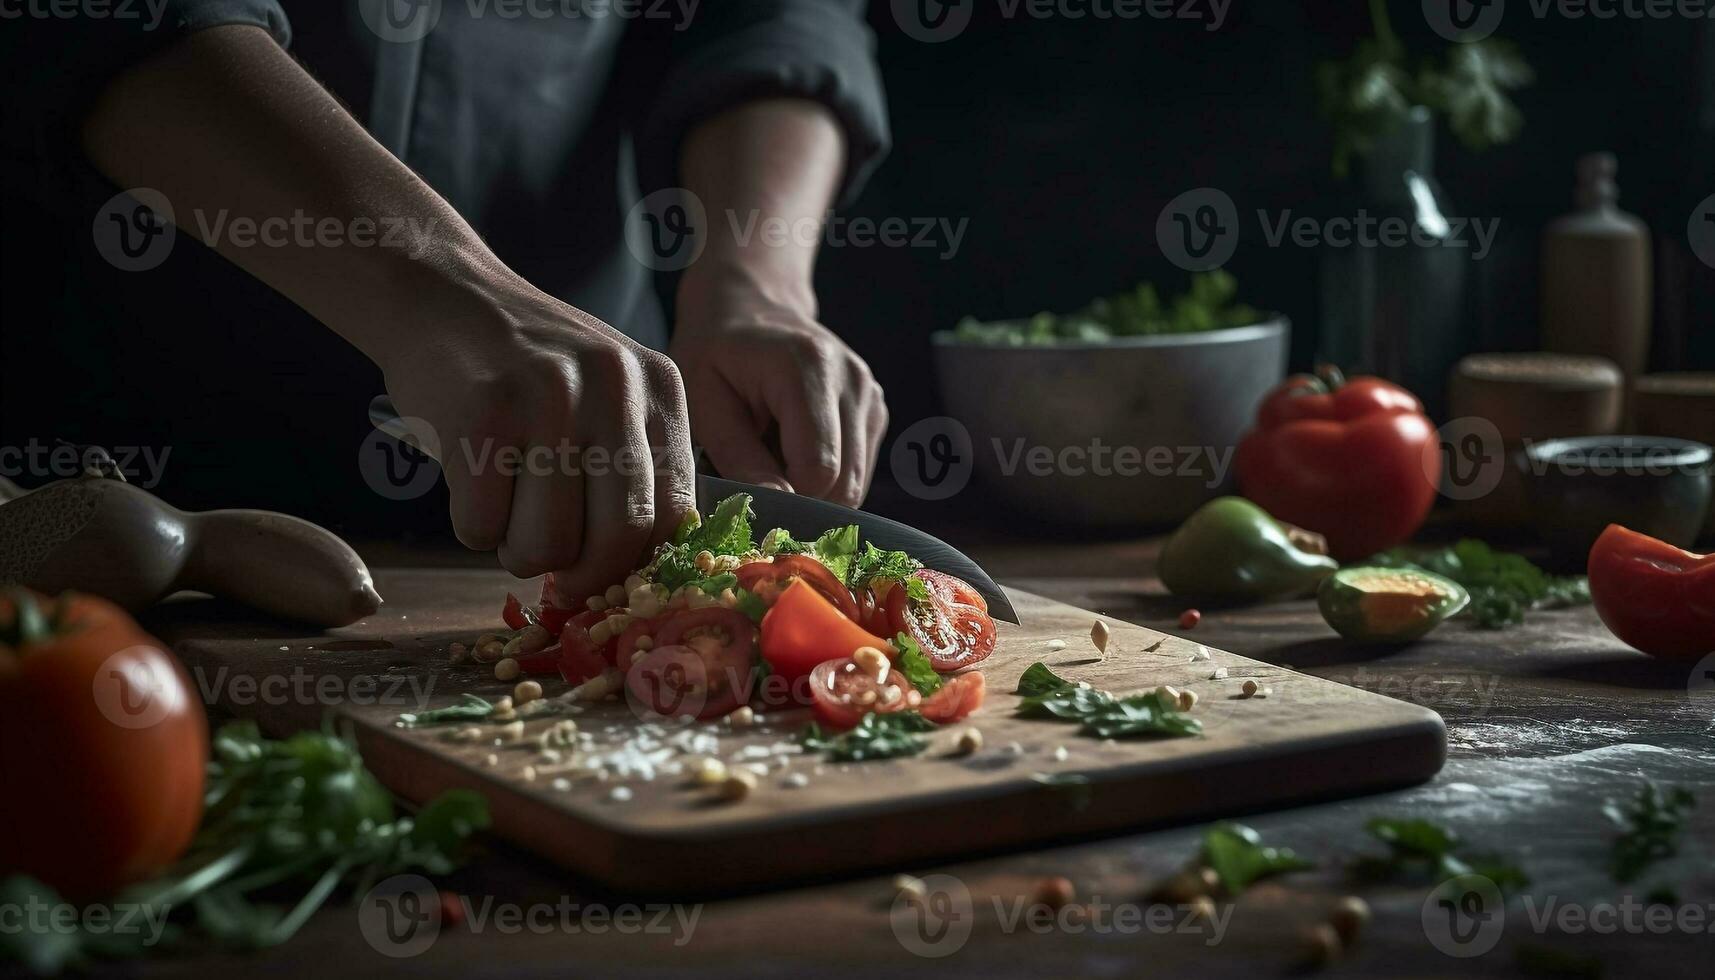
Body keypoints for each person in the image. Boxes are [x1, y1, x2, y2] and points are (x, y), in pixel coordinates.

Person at [0, 2, 891, 601]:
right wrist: (435, 285)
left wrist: (752, 281)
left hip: (581, 499)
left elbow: (772, 15)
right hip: (103, 499)